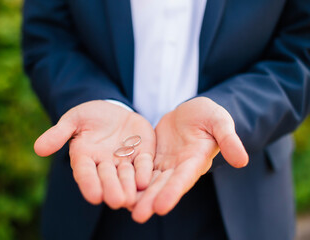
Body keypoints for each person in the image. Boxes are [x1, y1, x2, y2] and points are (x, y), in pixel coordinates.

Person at [21, 0, 310, 239]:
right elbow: (48, 35)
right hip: (96, 193)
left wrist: (230, 111)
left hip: (245, 200)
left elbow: (302, 49)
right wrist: (95, 99)